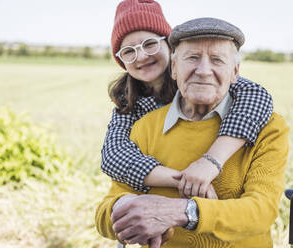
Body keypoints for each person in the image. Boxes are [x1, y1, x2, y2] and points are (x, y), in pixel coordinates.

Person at [96, 17, 289, 248]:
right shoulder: (141, 125)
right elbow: (105, 213)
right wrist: (126, 209)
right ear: (174, 68)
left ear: (235, 71)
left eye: (217, 60)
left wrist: (183, 211)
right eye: (193, 58)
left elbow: (261, 212)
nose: (204, 71)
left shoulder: (267, 127)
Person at [101, 0, 273, 199]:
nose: (140, 56)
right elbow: (113, 156)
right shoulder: (130, 105)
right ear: (121, 60)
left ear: (169, 46)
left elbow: (257, 95)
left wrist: (210, 162)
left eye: (149, 44)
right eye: (128, 51)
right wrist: (184, 179)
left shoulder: (197, 80)